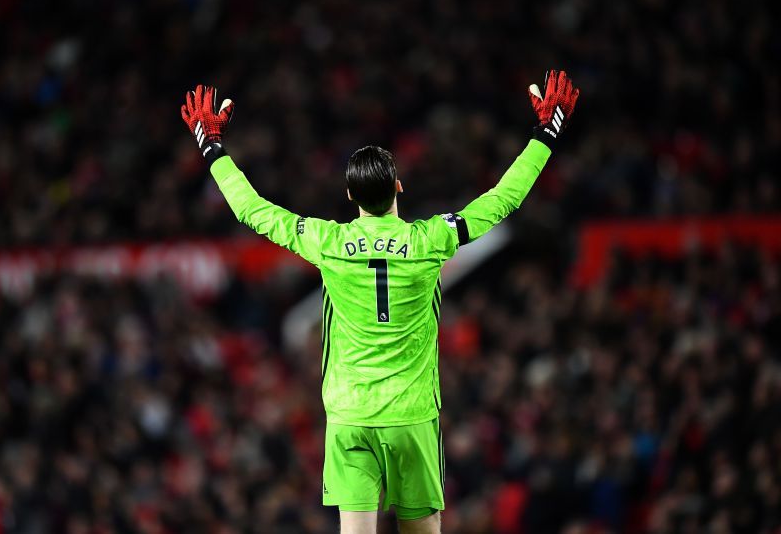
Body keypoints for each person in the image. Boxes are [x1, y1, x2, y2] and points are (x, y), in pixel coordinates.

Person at [181, 70, 579, 534]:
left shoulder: (325, 241)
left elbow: (253, 210)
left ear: (350, 196)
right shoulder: (432, 238)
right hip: (411, 417)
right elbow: (503, 199)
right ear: (398, 188)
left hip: (350, 416)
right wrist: (545, 135)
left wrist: (212, 149)